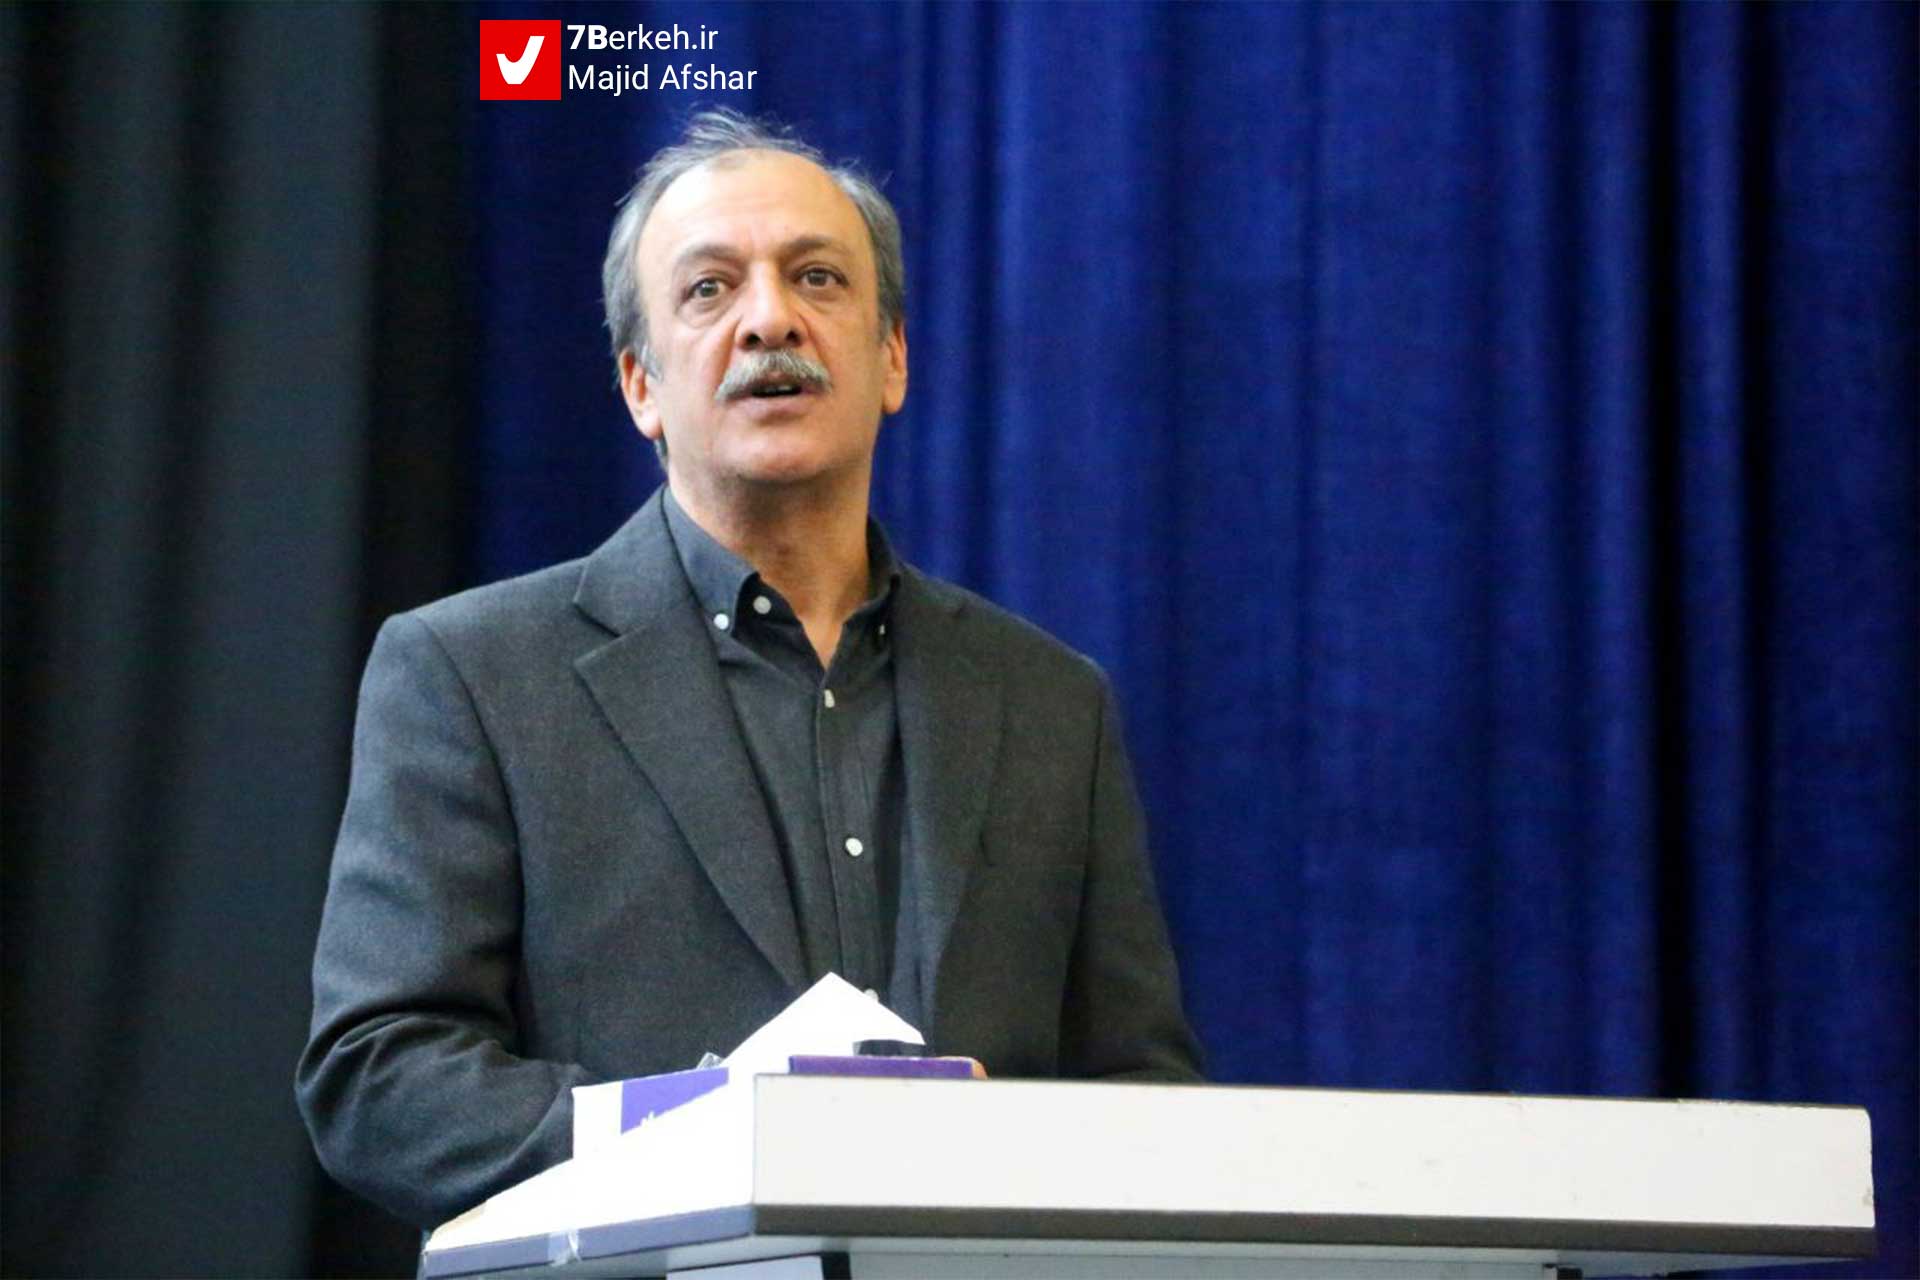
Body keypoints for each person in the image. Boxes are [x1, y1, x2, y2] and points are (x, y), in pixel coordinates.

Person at [296, 109, 1201, 1232]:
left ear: (893, 358)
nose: (771, 318)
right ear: (640, 385)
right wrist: (698, 1129)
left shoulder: (1054, 702)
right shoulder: (471, 673)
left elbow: (1144, 1093)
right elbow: (379, 1078)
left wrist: (1003, 1151)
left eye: (818, 278)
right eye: (710, 289)